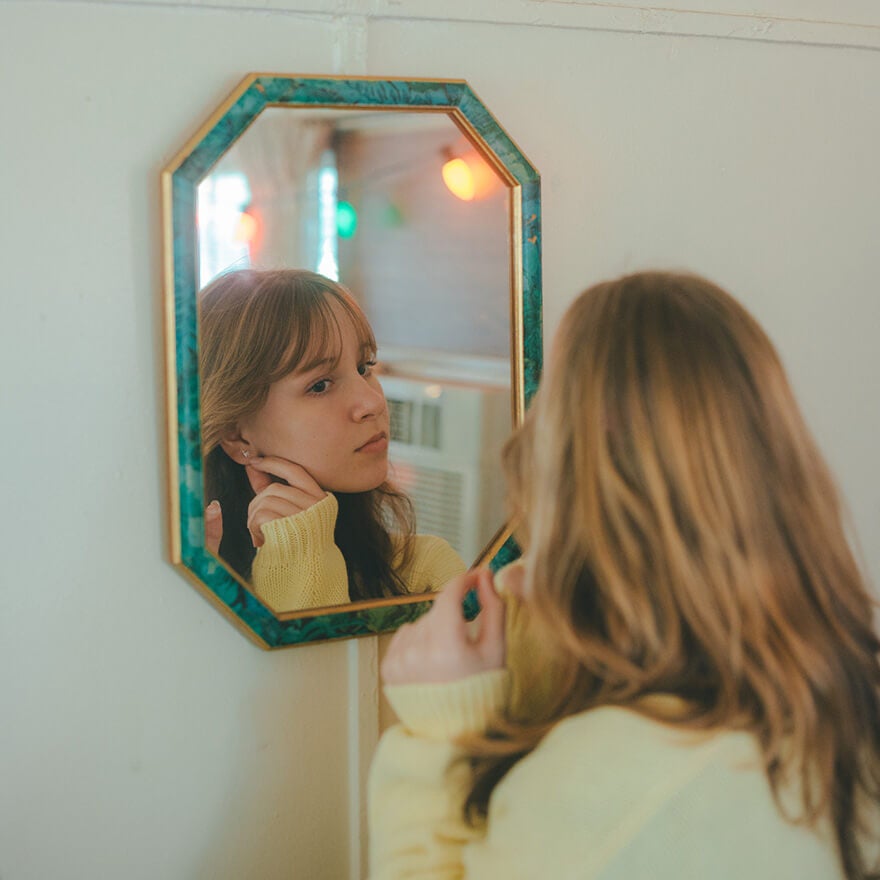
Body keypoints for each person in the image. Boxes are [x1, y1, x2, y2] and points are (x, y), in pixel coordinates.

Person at [369, 271, 880, 879]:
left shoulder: (606, 783)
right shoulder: (845, 692)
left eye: (549, 397)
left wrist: (438, 734)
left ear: (573, 458)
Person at [198, 268, 465, 612]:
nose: (373, 402)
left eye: (364, 367)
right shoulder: (192, 585)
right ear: (236, 435)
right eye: (320, 385)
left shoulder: (425, 574)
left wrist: (304, 552)